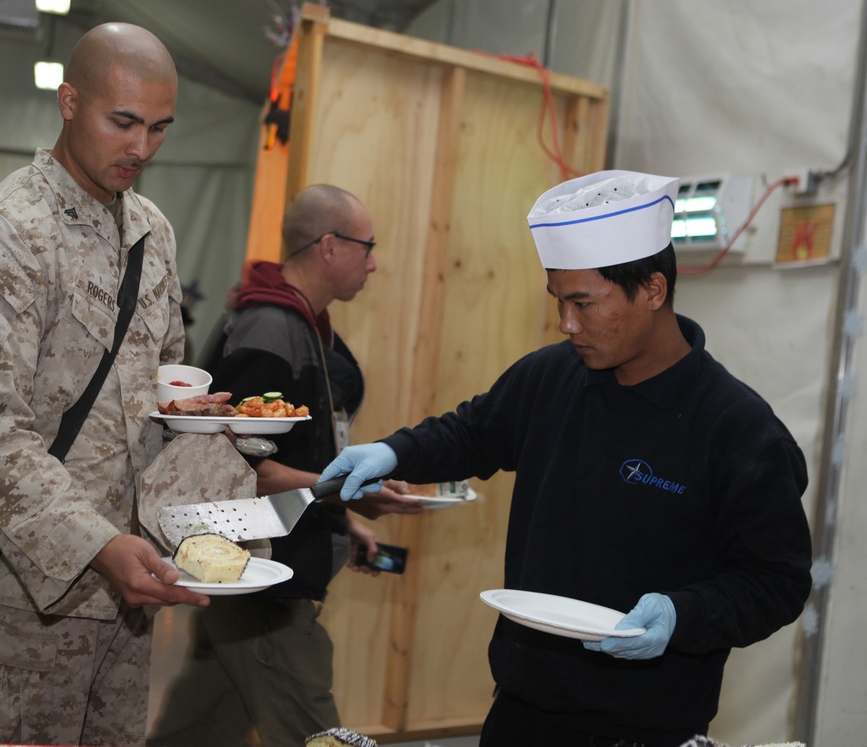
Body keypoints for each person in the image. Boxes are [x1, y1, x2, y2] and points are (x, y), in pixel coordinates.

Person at [320, 171, 814, 747]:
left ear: (653, 289)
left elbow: (776, 580)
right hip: (522, 711)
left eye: (583, 303)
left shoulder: (737, 429)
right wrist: (395, 450)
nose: (567, 324)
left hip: (648, 727)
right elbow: (472, 434)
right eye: (559, 302)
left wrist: (684, 613)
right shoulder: (552, 376)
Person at [0, 22, 216, 747]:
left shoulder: (151, 231)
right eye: (122, 122)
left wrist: (198, 439)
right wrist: (97, 544)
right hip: (27, 599)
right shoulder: (4, 234)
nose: (142, 148)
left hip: (128, 599)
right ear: (68, 100)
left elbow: (162, 385)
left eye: (159, 128)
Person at [147, 184, 424, 747]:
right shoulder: (271, 331)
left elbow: (293, 459)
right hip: (268, 590)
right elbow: (229, 470)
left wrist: (342, 520)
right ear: (328, 246)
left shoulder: (304, 325)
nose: (373, 262)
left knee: (195, 732)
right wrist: (346, 491)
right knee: (317, 737)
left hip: (265, 577)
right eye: (366, 247)